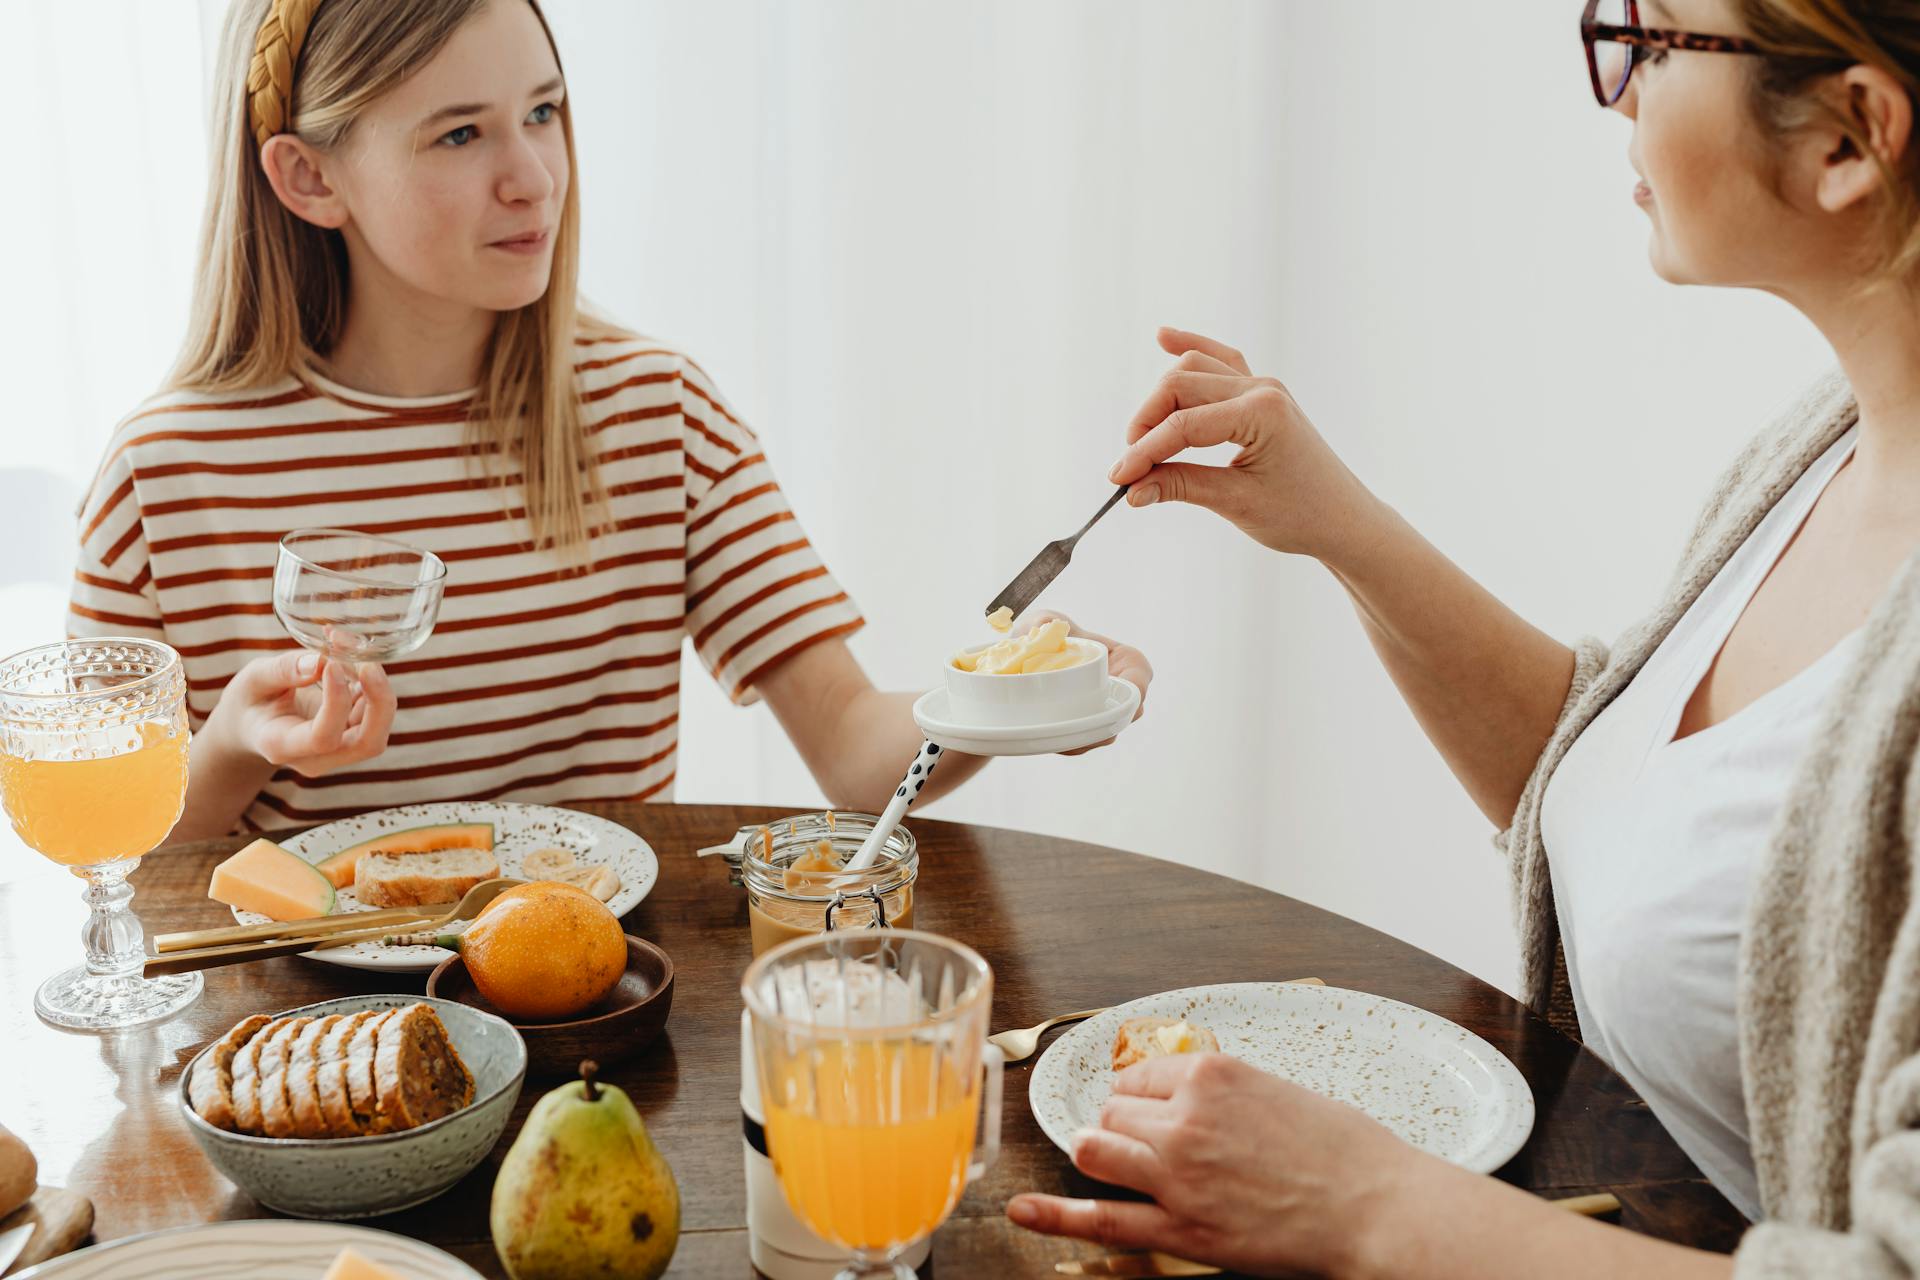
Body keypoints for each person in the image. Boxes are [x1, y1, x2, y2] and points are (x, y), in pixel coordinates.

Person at [1010, 1, 1920, 1275]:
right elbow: (1651, 810)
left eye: (1652, 43)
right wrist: (1336, 521)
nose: (1617, 94)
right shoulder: (1829, 445)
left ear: (1852, 136)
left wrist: (1369, 1202)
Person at [69, 0, 1149, 838]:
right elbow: (106, 864)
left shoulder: (656, 413)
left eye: (543, 112)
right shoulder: (163, 478)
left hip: (593, 1032)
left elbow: (860, 755)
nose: (534, 176)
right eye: (458, 136)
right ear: (309, 178)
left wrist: (1016, 698)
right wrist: (237, 748)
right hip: (305, 1061)